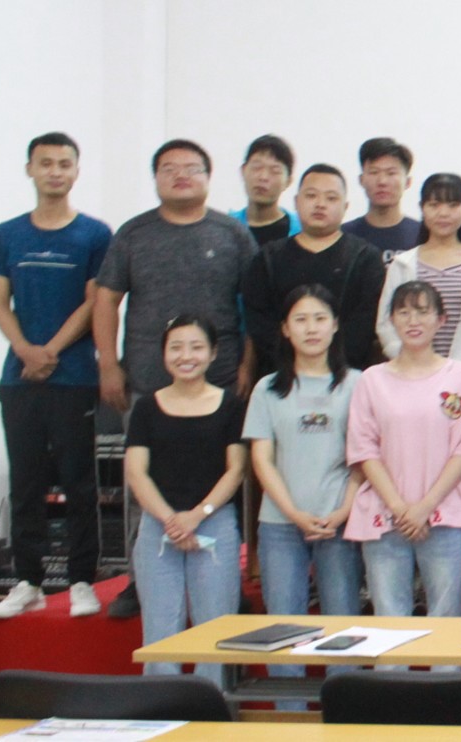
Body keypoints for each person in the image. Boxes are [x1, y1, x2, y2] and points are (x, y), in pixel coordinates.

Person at [92, 138, 256, 619]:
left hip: (220, 386)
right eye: (169, 168)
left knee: (227, 481)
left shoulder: (232, 233)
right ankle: (139, 580)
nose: (181, 175)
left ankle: (226, 582)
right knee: (143, 485)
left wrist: (247, 365)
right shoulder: (134, 234)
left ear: (209, 176)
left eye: (191, 167)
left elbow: (255, 305)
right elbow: (106, 300)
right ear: (156, 178)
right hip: (147, 383)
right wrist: (108, 364)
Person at [0, 132, 109, 620]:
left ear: (76, 171)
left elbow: (94, 302)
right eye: (46, 163)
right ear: (30, 169)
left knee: (79, 482)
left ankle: (82, 580)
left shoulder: (94, 234)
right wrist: (24, 349)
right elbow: (1, 302)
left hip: (73, 376)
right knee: (26, 483)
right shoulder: (8, 233)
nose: (55, 171)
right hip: (19, 379)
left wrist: (52, 351)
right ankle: (28, 581)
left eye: (64, 164)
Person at [244, 286, 362, 703]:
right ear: (285, 329)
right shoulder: (267, 389)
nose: (311, 328)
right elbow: (262, 459)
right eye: (300, 319)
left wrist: (343, 510)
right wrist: (293, 513)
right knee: (283, 627)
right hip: (280, 525)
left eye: (319, 318)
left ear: (335, 326)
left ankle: (344, 714)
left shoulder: (358, 384)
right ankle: (289, 716)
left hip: (339, 523)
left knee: (343, 626)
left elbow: (365, 458)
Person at [348, 282, 461, 620]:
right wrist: (400, 508)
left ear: (441, 319)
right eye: (404, 312)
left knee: (447, 619)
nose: (413, 321)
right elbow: (364, 450)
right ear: (391, 320)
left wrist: (424, 507)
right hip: (385, 516)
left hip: (446, 514)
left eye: (423, 312)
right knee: (389, 620)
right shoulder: (371, 380)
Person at [124, 317, 245, 684]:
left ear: (213, 353)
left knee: (216, 633)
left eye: (196, 347)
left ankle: (213, 712)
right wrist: (171, 521)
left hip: (214, 523)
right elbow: (136, 472)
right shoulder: (146, 407)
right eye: (176, 347)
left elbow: (236, 470)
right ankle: (163, 712)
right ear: (163, 354)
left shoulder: (230, 405)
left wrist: (197, 515)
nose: (186, 356)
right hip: (158, 527)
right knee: (160, 632)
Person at [243, 164, 385, 377]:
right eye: (311, 196)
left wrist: (327, 365)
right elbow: (259, 321)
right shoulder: (268, 258)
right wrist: (294, 364)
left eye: (331, 198)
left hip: (345, 377)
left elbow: (365, 324)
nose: (320, 204)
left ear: (345, 206)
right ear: (296, 202)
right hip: (281, 376)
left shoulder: (365, 258)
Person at [378, 174, 461, 363]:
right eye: (434, 205)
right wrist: (410, 361)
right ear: (422, 208)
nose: (443, 213)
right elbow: (385, 323)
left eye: (453, 205)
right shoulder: (402, 264)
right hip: (411, 370)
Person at [343, 137, 421, 260]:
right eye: (374, 172)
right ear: (361, 180)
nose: (382, 181)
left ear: (408, 182)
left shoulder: (422, 235)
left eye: (391, 173)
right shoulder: (343, 236)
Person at [232, 135, 300, 244]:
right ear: (243, 171)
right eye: (257, 167)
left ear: (288, 181)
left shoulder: (302, 230)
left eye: (275, 171)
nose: (263, 177)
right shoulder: (226, 227)